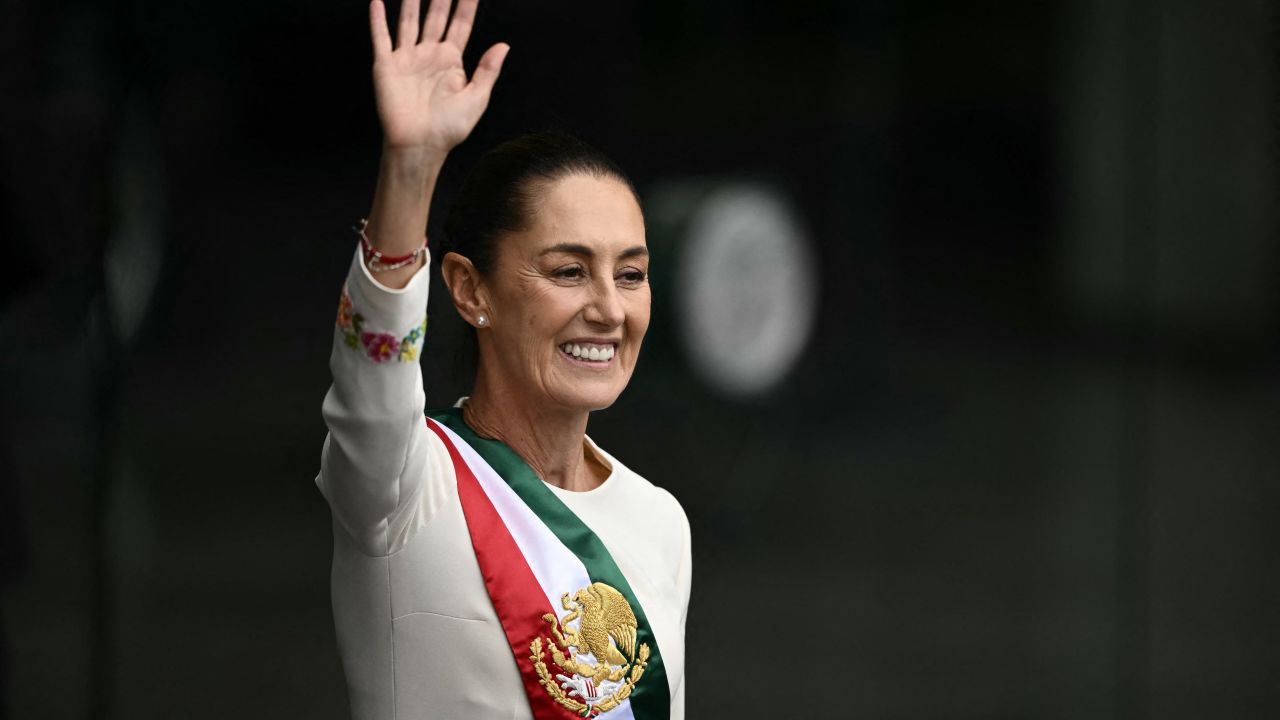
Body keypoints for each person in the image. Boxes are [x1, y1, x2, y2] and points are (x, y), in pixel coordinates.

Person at [315, 1, 692, 718]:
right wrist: (411, 168)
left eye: (632, 274)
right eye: (568, 271)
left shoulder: (661, 521)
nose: (610, 309)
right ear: (469, 289)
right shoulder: (400, 486)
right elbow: (371, 366)